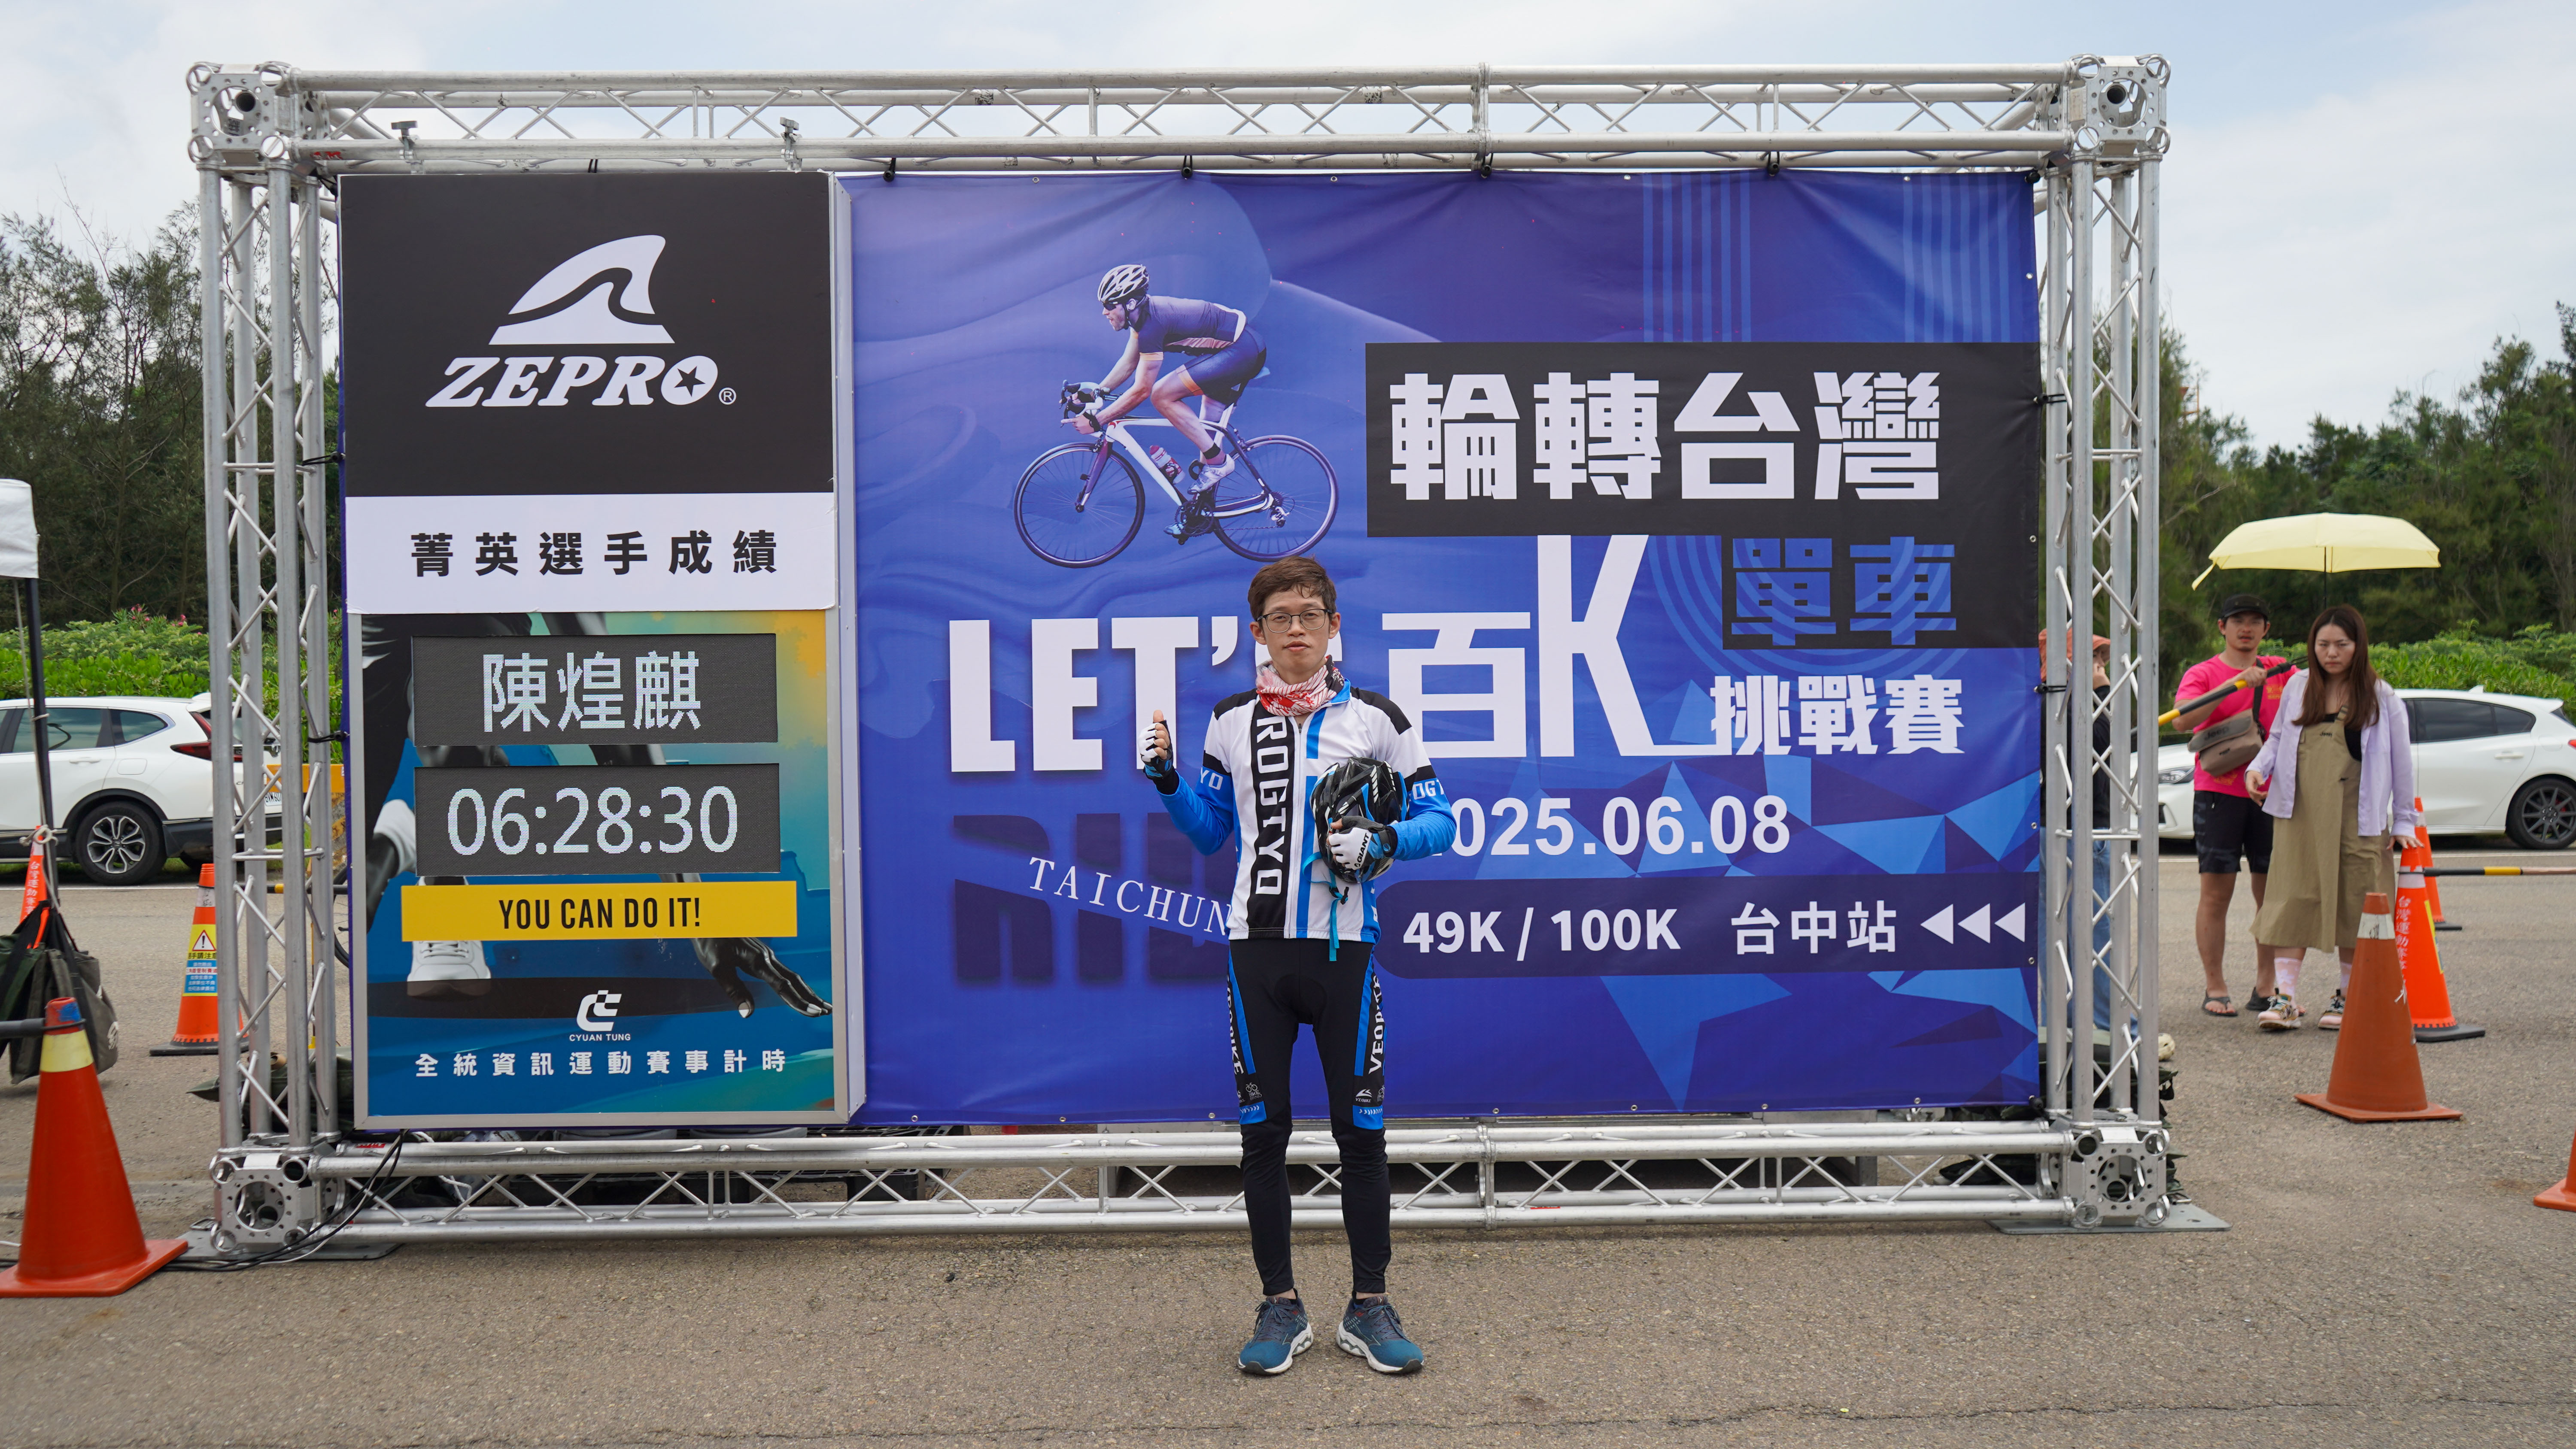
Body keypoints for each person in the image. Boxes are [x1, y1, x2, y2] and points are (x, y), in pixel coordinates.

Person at [1139, 555, 1454, 1377]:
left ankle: (1369, 1306)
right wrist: (1168, 781)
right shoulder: (1229, 721)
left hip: (1347, 952)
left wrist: (1384, 840)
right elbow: (1211, 831)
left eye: (1311, 614)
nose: (1297, 629)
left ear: (1334, 625)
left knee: (1363, 1135)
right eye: (1281, 617)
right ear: (1259, 632)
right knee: (1262, 1135)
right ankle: (1280, 1305)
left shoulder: (1379, 718)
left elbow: (1442, 820)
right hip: (1258, 954)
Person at [2245, 605, 2415, 1031]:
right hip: (2300, 812)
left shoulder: (2382, 696)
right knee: (2291, 897)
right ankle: (2285, 999)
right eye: (2323, 645)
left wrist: (2404, 821)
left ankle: (2347, 998)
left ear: (2359, 646)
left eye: (2342, 644)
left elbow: (2402, 763)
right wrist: (2258, 768)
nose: (2332, 653)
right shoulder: (2298, 686)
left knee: (2358, 901)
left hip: (2359, 815)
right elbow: (2278, 737)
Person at [1076, 264, 1269, 537]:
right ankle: (1200, 514)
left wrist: (1099, 420)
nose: (1104, 312)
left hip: (1241, 351)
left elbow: (1142, 391)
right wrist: (1095, 392)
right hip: (1237, 348)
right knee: (1205, 437)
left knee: (1162, 394)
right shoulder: (1141, 319)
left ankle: (1220, 462)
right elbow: (1128, 363)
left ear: (1129, 304)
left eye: (1110, 305)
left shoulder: (1152, 325)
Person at [2171, 594, 2288, 1019]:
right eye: (2238, 620)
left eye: (2256, 621)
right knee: (2216, 894)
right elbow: (2182, 720)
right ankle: (2215, 986)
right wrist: (2236, 684)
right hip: (2218, 793)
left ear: (2266, 630)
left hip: (2272, 794)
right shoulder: (2203, 673)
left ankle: (2266, 985)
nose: (2247, 628)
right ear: (2222, 627)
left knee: (2271, 894)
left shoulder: (2282, 669)